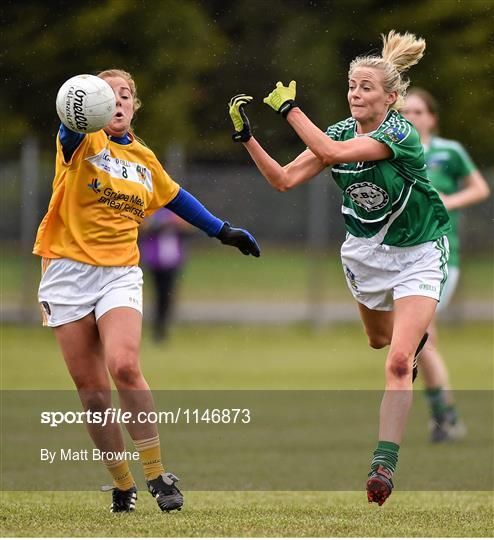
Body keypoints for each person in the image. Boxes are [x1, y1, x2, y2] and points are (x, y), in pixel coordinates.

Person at [228, 31, 450, 506]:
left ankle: (383, 466)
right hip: (366, 254)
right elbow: (284, 180)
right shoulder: (338, 130)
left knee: (396, 360)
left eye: (366, 87)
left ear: (391, 98)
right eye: (351, 85)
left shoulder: (399, 134)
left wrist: (290, 111)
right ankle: (411, 339)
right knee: (377, 340)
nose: (354, 93)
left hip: (419, 251)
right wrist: (248, 138)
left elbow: (332, 156)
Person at [33, 69, 260, 514]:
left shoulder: (142, 157)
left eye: (125, 95)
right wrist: (78, 107)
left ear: (136, 106)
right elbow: (71, 122)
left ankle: (156, 473)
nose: (117, 102)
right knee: (93, 392)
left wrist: (222, 230)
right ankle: (122, 483)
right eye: (108, 95)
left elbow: (175, 197)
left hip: (119, 271)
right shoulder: (83, 141)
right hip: (65, 272)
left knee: (125, 365)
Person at [401, 88, 490, 441]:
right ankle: (445, 417)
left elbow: (479, 188)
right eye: (405, 112)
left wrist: (450, 200)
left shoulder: (447, 152)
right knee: (421, 341)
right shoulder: (393, 150)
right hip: (403, 258)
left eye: (419, 112)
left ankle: (445, 417)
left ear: (432, 118)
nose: (412, 118)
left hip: (440, 257)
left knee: (421, 337)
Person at [139, 208, 189, 342]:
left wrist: (175, 224)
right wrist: (161, 223)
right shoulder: (151, 210)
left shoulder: (176, 211)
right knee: (158, 294)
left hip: (173, 261)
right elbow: (143, 229)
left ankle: (162, 326)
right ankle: (158, 327)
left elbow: (188, 230)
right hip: (155, 261)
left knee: (168, 295)